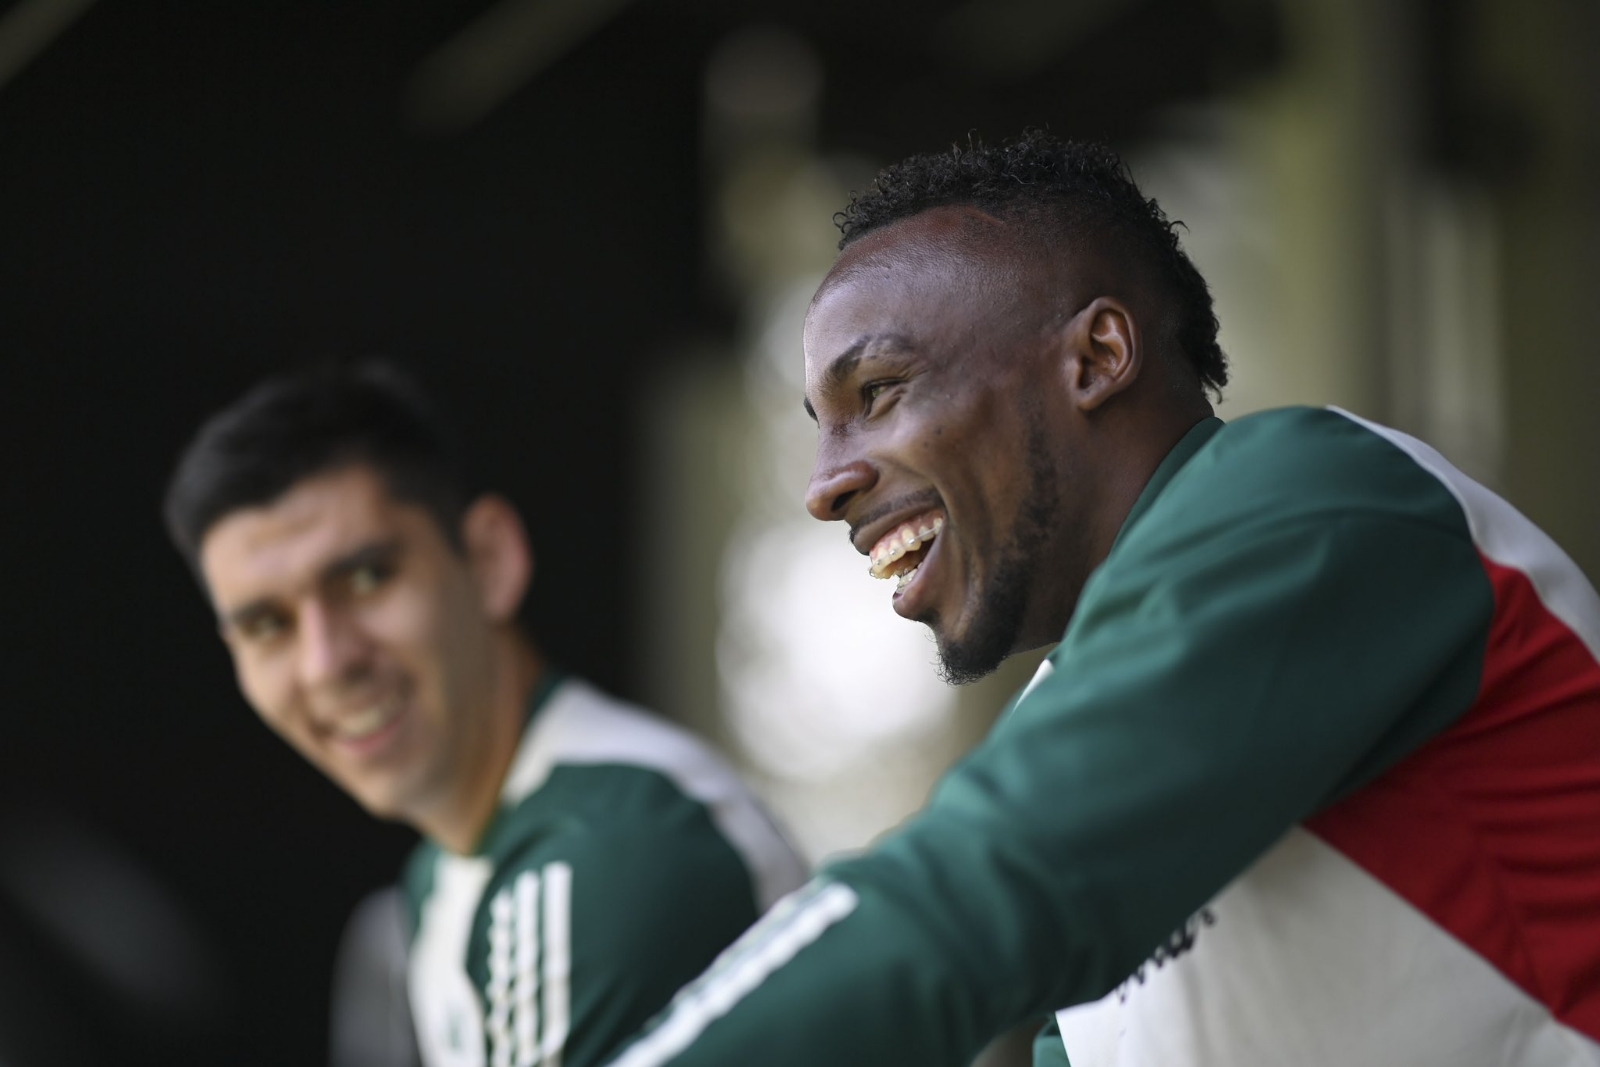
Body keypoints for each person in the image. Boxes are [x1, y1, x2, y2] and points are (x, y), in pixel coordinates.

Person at [605, 131, 1600, 1067]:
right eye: (821, 426)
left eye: (878, 392)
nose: (825, 485)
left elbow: (976, 893)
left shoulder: (1305, 497)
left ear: (1095, 358)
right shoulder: (1071, 713)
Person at [163, 363, 806, 1067]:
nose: (326, 661)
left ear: (490, 559)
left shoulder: (604, 855)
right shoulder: (449, 870)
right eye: (266, 624)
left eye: (367, 576)